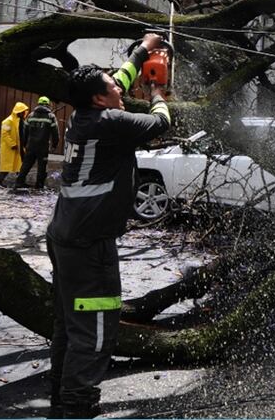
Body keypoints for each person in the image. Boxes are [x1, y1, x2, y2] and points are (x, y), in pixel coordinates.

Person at [46, 34, 171, 418]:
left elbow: (120, 74)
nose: (120, 84)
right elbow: (161, 122)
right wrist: (157, 89)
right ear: (101, 98)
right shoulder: (110, 121)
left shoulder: (87, 114)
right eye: (113, 85)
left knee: (70, 324)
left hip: (66, 235)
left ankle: (62, 398)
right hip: (89, 244)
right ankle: (77, 408)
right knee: (95, 330)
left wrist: (145, 49)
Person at [14, 96, 60, 190]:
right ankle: (39, 186)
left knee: (26, 164)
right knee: (42, 166)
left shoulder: (31, 115)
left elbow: (25, 131)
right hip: (43, 147)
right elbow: (55, 132)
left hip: (31, 145)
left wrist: (25, 144)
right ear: (48, 104)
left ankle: (19, 182)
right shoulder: (51, 116)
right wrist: (54, 145)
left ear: (38, 104)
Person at [0, 101, 28, 187]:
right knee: (7, 166)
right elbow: (5, 134)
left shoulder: (21, 121)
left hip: (20, 148)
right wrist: (12, 144)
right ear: (18, 112)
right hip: (11, 148)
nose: (24, 113)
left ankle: (20, 182)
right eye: (22, 111)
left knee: (20, 166)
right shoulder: (8, 121)